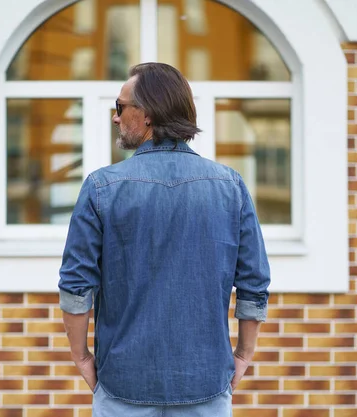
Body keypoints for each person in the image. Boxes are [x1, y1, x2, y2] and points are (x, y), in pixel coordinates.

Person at [58, 62, 270, 417]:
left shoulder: (100, 187)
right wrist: (244, 354)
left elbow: (76, 285)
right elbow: (254, 282)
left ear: (149, 115)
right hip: (205, 384)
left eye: (120, 106)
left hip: (123, 385)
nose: (115, 117)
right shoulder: (229, 186)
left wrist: (81, 356)